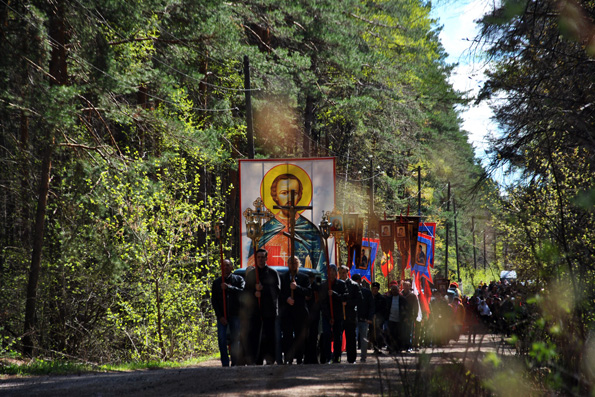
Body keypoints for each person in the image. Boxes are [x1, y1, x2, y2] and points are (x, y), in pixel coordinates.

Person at [247, 174, 326, 272]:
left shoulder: (310, 230)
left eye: (295, 193)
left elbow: (321, 268)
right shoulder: (265, 231)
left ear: (300, 196)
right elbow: (252, 266)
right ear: (275, 196)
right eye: (284, 193)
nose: (290, 198)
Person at [245, 248, 281, 365]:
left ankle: (270, 359)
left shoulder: (272, 273)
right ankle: (257, 359)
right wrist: (254, 293)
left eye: (262, 257)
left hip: (269, 311)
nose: (260, 260)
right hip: (255, 312)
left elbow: (277, 290)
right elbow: (246, 292)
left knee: (269, 336)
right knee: (256, 336)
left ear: (266, 258)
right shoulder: (251, 274)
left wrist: (263, 290)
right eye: (258, 257)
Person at [211, 259, 245, 367]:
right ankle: (225, 363)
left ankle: (234, 362)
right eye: (223, 266)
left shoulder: (239, 279)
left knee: (236, 339)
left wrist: (229, 288)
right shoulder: (216, 283)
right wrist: (220, 316)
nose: (225, 268)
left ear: (231, 267)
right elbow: (214, 301)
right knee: (222, 339)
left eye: (227, 265)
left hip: (235, 314)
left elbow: (243, 292)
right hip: (222, 316)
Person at [279, 257, 311, 364]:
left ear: (298, 264)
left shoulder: (304, 277)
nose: (293, 265)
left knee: (299, 336)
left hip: (300, 311)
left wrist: (297, 288)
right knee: (287, 335)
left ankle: (299, 358)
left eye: (295, 263)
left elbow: (308, 292)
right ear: (287, 264)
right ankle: (288, 358)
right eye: (291, 263)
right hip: (287, 312)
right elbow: (279, 293)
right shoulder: (282, 277)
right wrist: (287, 299)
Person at [319, 264, 348, 363]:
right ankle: (328, 356)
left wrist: (334, 294)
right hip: (327, 315)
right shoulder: (323, 285)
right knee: (326, 334)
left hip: (338, 315)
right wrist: (329, 316)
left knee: (337, 336)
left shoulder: (341, 284)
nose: (331, 273)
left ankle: (337, 356)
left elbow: (344, 297)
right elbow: (322, 303)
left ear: (336, 273)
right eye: (329, 271)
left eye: (333, 271)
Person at [339, 265, 363, 364]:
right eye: (340, 273)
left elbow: (360, 300)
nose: (342, 275)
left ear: (347, 273)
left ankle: (351, 358)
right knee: (337, 337)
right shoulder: (336, 284)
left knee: (351, 338)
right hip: (338, 315)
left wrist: (348, 303)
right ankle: (336, 357)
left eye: (344, 273)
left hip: (350, 316)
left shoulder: (354, 285)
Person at [352, 274, 374, 362]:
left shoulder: (367, 292)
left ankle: (363, 357)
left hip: (364, 319)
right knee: (354, 338)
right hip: (353, 319)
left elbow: (371, 306)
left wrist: (370, 318)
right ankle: (353, 357)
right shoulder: (350, 291)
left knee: (363, 339)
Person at [386, 282, 408, 353]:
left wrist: (406, 317)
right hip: (391, 319)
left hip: (400, 320)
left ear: (398, 290)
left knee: (399, 334)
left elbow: (406, 309)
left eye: (396, 290)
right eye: (393, 290)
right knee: (391, 334)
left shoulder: (402, 299)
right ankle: (391, 348)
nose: (394, 291)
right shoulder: (388, 299)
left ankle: (398, 348)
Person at [400, 281, 418, 352]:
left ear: (410, 286)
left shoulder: (412, 296)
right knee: (402, 332)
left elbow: (415, 306)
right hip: (401, 316)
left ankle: (408, 346)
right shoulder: (400, 295)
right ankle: (402, 346)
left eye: (407, 286)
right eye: (405, 286)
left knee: (409, 332)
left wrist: (414, 316)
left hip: (410, 316)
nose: (406, 287)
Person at [370, 282, 387, 353]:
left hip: (379, 319)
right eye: (373, 288)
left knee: (378, 333)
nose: (374, 290)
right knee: (372, 333)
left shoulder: (381, 298)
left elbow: (384, 309)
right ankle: (374, 347)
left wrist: (377, 315)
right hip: (371, 319)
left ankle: (379, 347)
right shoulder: (369, 297)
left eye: (376, 288)